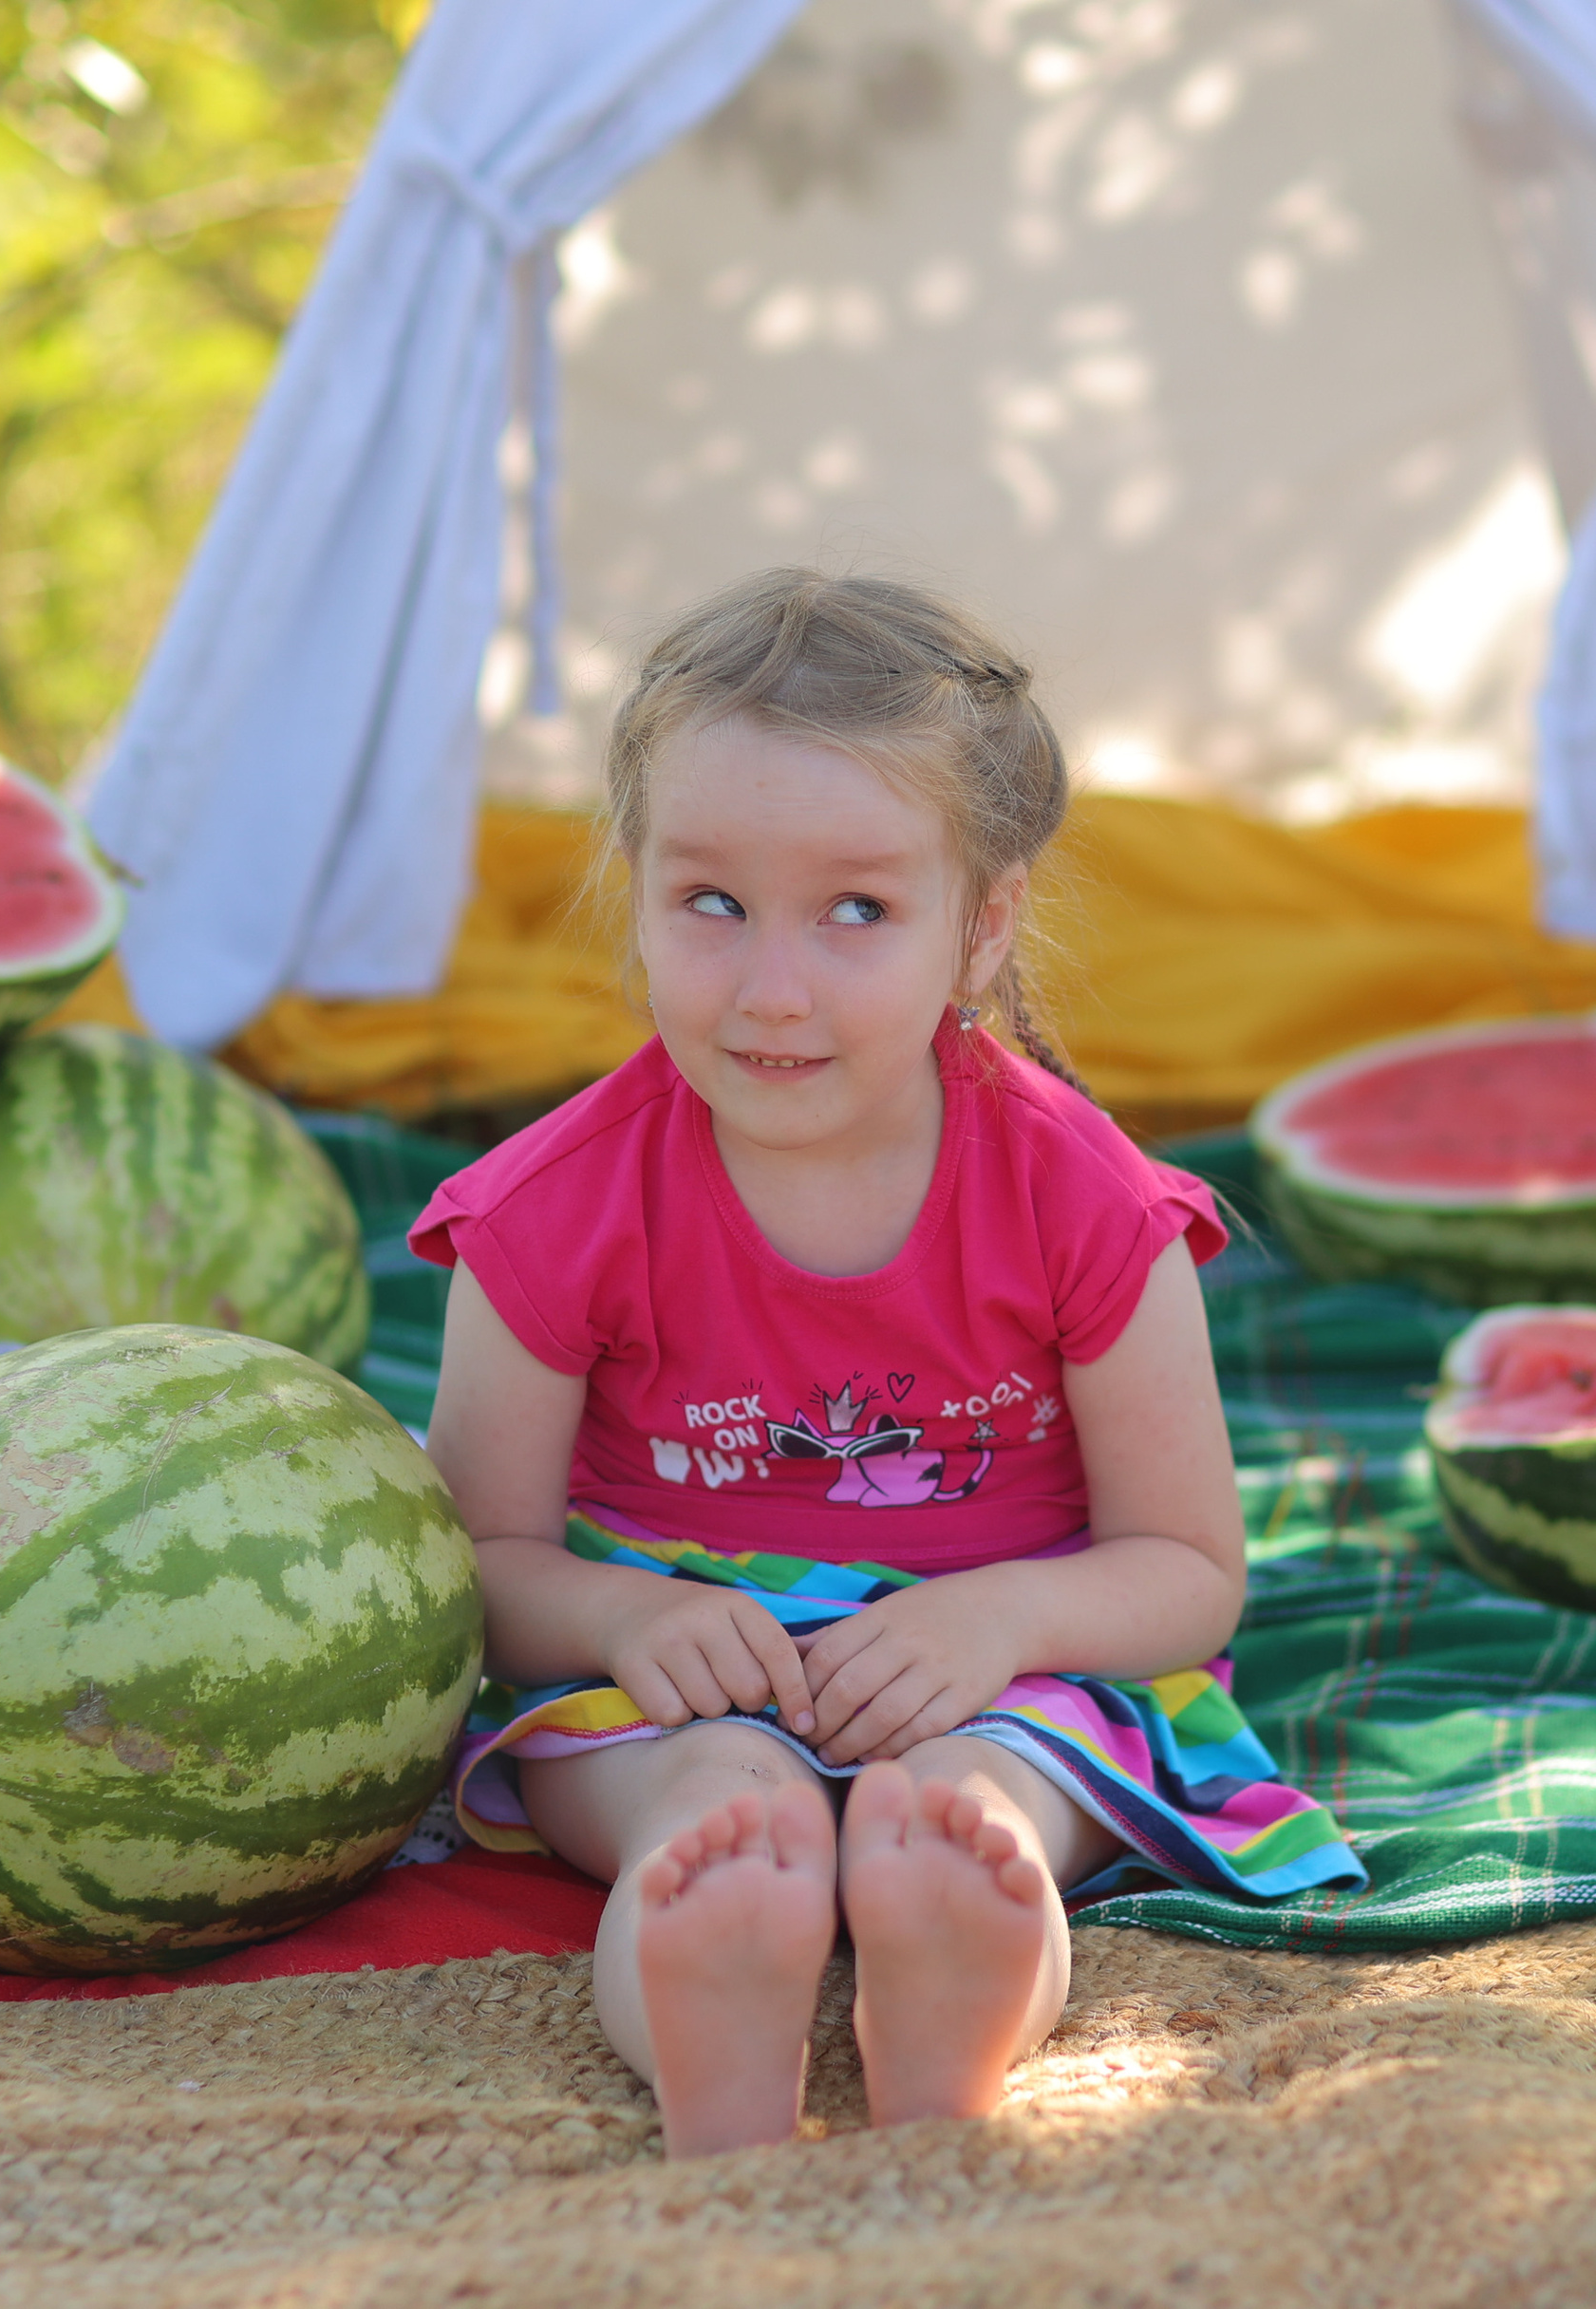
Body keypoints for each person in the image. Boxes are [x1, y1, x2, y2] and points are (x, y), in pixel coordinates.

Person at [413, 570, 1359, 2157]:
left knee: (981, 1803)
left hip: (1007, 1668)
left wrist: (999, 1618)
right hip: (666, 1677)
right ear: (637, 890)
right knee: (709, 1807)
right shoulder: (544, 1214)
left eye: (855, 910)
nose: (771, 986)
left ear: (980, 926)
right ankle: (715, 2012)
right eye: (710, 902)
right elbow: (476, 1567)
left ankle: (954, 1976)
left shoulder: (1088, 1202)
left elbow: (1190, 1569)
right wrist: (634, 1616)